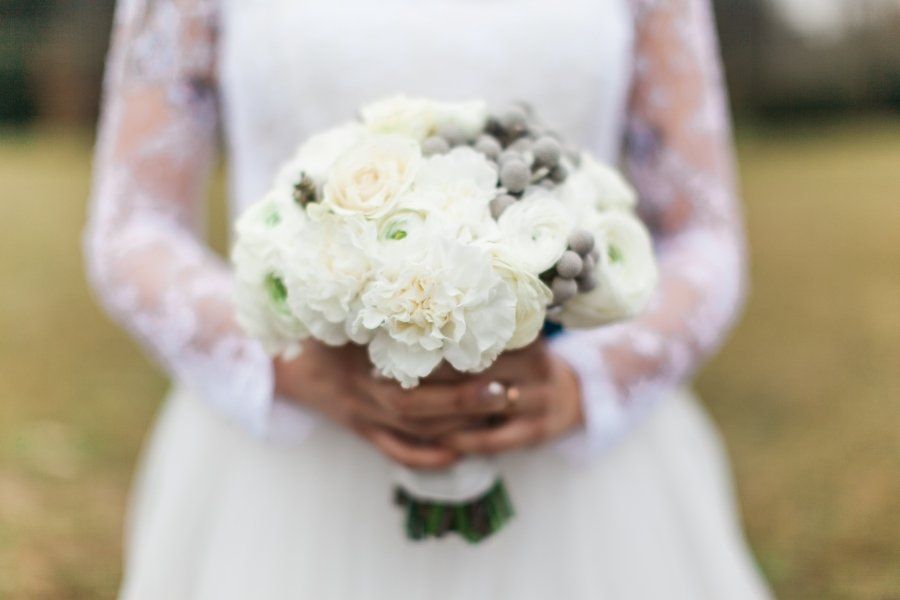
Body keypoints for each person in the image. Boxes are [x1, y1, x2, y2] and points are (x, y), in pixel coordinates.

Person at [85, 0, 772, 597]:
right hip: (292, 466)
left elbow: (705, 236)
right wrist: (282, 363)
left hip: (574, 463)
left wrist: (585, 382)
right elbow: (131, 224)